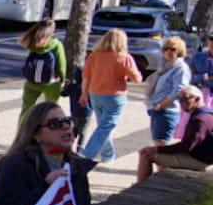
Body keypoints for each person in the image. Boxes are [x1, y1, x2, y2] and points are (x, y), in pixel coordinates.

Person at [79, 28, 141, 162]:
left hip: (95, 94)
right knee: (107, 126)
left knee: (103, 125)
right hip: (115, 96)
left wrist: (84, 94)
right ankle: (88, 153)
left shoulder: (94, 55)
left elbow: (86, 77)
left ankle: (108, 155)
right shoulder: (124, 57)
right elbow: (137, 78)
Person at [136, 85, 213, 179]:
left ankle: (141, 189)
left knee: (146, 155)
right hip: (200, 156)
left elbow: (187, 146)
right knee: (159, 153)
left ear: (197, 99)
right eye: (179, 100)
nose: (181, 103)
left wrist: (157, 149)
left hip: (200, 160)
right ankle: (161, 182)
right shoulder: (206, 113)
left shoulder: (200, 119)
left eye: (185, 99)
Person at [145, 35, 192, 145]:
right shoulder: (165, 66)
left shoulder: (180, 68)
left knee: (161, 146)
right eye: (165, 48)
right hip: (156, 109)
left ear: (179, 50)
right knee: (158, 144)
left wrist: (161, 104)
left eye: (173, 49)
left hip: (167, 111)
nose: (168, 51)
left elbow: (179, 91)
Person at [18, 20, 68, 114]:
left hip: (31, 81)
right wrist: (63, 79)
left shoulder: (33, 43)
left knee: (26, 109)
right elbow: (62, 65)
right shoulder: (56, 44)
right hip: (51, 83)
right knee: (51, 110)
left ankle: (23, 127)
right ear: (52, 31)